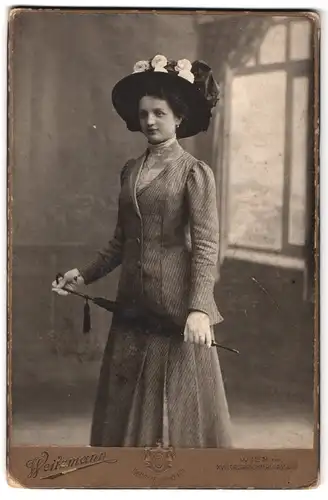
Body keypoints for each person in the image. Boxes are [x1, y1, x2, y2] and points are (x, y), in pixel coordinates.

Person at [52, 55, 232, 448]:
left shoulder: (194, 173)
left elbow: (205, 247)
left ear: (179, 118)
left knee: (180, 408)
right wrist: (82, 274)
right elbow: (121, 241)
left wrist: (200, 309)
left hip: (177, 308)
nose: (150, 121)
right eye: (144, 113)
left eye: (159, 113)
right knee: (126, 403)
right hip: (132, 304)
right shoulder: (130, 170)